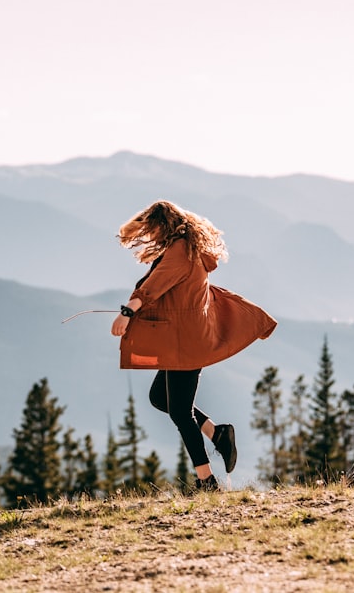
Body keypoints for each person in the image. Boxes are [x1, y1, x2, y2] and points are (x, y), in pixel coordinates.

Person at [110, 200, 277, 491]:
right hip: (183, 338)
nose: (152, 235)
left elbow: (153, 287)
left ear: (165, 226)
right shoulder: (187, 248)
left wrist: (128, 312)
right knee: (160, 399)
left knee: (179, 412)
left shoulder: (179, 252)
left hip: (184, 342)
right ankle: (218, 434)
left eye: (154, 229)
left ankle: (206, 480)